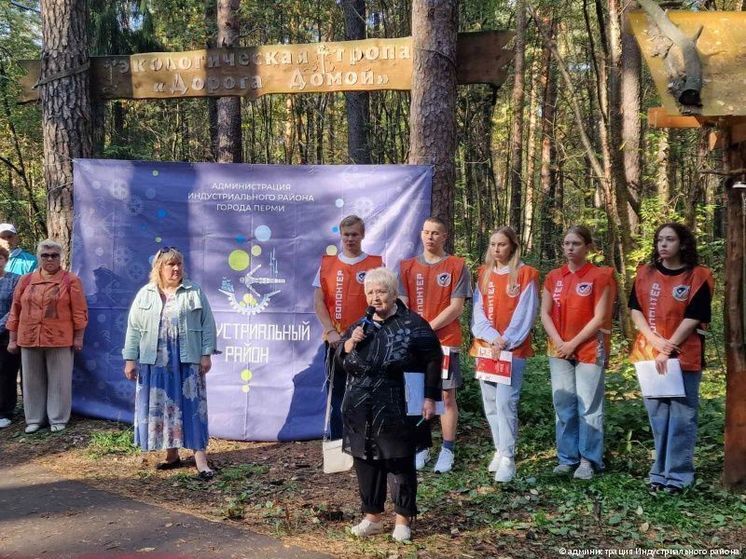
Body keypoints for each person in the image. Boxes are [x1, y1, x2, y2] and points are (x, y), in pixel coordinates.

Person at [337, 267, 442, 542]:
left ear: (394, 293)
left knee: (399, 462)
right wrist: (348, 344)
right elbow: (339, 359)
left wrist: (431, 397)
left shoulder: (414, 325)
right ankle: (372, 517)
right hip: (361, 408)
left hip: (397, 405)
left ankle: (403, 520)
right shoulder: (361, 325)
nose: (375, 297)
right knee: (366, 460)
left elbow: (434, 358)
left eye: (381, 291)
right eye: (370, 292)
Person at [629, 223, 713, 493]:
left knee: (681, 417)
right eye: (660, 240)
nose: (663, 245)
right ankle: (659, 473)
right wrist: (654, 341)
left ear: (682, 244)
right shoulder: (645, 273)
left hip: (683, 356)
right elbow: (635, 309)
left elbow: (695, 315)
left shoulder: (697, 276)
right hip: (649, 355)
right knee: (658, 417)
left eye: (670, 240)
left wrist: (669, 347)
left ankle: (678, 476)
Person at [123, 247, 217, 480]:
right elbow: (133, 329)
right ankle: (171, 454)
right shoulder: (145, 294)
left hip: (186, 359)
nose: (175, 269)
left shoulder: (193, 291)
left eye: (178, 264)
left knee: (192, 407)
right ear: (159, 268)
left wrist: (206, 354)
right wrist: (130, 359)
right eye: (169, 265)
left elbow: (208, 325)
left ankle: (201, 459)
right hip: (155, 361)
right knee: (164, 407)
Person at [540, 225, 615, 480]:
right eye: (566, 243)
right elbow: (544, 313)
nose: (570, 248)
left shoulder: (600, 275)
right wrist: (560, 341)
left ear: (587, 247)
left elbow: (600, 316)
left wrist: (573, 343)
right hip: (558, 348)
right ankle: (566, 458)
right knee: (564, 404)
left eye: (576, 244)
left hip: (589, 348)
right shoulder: (553, 277)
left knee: (589, 406)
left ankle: (588, 459)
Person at [399, 216, 471, 473]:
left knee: (445, 396)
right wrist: (417, 331)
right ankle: (422, 446)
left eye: (436, 233)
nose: (430, 237)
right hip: (415, 344)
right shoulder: (406, 266)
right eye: (426, 232)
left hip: (446, 342)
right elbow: (402, 303)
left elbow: (457, 306)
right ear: (421, 234)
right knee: (417, 395)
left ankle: (448, 450)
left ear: (444, 237)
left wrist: (427, 328)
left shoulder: (457, 265)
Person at [470, 227, 539, 482]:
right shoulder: (483, 274)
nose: (496, 249)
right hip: (487, 347)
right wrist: (492, 338)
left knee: (505, 402)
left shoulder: (525, 275)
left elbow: (526, 313)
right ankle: (499, 449)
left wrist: (506, 340)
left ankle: (509, 457)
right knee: (490, 402)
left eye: (501, 244)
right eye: (492, 244)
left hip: (512, 349)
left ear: (512, 246)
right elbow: (477, 314)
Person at [6, 239, 88, 433]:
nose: (50, 259)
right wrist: (12, 338)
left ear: (60, 257)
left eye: (54, 255)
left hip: (60, 339)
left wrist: (78, 337)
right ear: (39, 257)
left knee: (59, 381)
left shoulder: (70, 280)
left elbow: (80, 311)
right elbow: (15, 310)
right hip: (29, 338)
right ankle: (34, 418)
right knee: (32, 380)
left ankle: (57, 418)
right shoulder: (25, 280)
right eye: (45, 255)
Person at [313, 215, 382, 441]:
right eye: (346, 235)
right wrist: (331, 331)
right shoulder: (327, 264)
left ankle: (364, 442)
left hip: (367, 341)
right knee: (338, 394)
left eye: (355, 234)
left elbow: (383, 301)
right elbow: (318, 302)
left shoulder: (375, 265)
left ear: (362, 235)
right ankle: (337, 443)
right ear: (340, 236)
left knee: (367, 393)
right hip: (335, 342)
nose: (350, 239)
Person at [0, 247, 20, 428]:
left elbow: (15, 308)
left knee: (6, 374)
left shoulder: (15, 280)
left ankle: (5, 411)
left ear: (5, 260)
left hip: (8, 335)